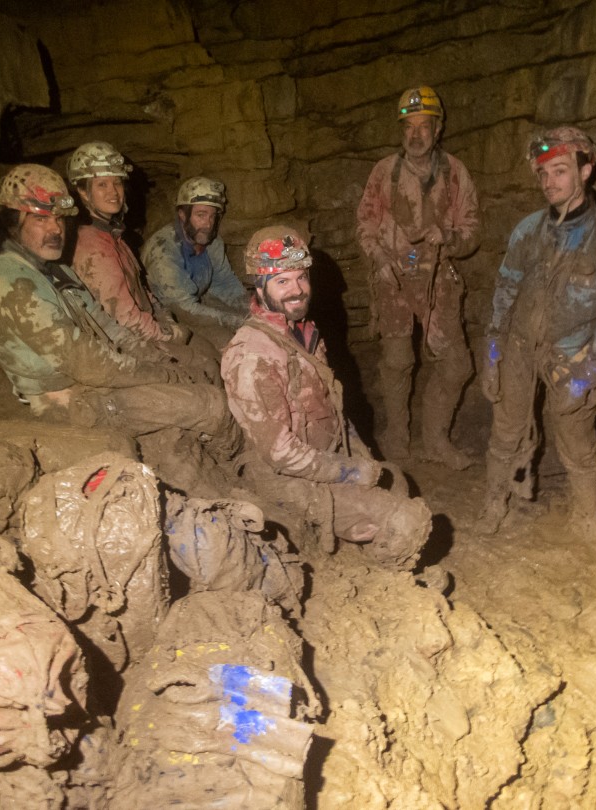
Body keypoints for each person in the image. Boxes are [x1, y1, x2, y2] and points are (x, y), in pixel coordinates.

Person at [0, 163, 238, 456]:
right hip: (70, 401)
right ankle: (232, 468)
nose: (55, 229)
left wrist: (152, 356)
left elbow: (106, 325)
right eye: (41, 219)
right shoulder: (13, 285)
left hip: (100, 381)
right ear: (13, 223)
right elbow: (88, 362)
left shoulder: (54, 269)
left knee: (194, 377)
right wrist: (159, 373)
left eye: (60, 219)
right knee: (211, 405)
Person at [221, 225, 431, 571]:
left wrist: (363, 460)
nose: (297, 290)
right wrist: (349, 472)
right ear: (259, 287)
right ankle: (386, 585)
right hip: (288, 480)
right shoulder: (252, 355)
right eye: (282, 281)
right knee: (408, 521)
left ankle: (369, 542)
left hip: (323, 459)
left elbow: (333, 408)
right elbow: (280, 455)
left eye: (301, 278)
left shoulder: (303, 333)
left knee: (396, 479)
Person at [475, 126, 596, 543]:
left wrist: (590, 373)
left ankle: (586, 517)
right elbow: (505, 291)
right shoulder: (528, 229)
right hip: (517, 347)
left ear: (587, 170)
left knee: (577, 438)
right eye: (543, 174)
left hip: (573, 356)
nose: (550, 182)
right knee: (506, 431)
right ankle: (497, 502)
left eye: (561, 171)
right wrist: (492, 352)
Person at [356, 85, 481, 469]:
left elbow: (473, 228)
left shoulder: (455, 172)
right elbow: (366, 223)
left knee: (457, 364)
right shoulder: (384, 172)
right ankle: (397, 440)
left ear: (438, 129)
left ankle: (435, 441)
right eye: (408, 127)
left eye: (423, 127)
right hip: (393, 275)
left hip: (437, 276)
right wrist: (377, 258)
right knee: (397, 361)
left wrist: (452, 238)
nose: (415, 135)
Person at [66, 142, 217, 379]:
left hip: (149, 327)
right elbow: (125, 319)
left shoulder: (113, 235)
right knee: (206, 369)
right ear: (83, 192)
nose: (113, 191)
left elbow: (143, 289)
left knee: (208, 352)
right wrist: (168, 335)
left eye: (117, 182)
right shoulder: (92, 245)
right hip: (128, 343)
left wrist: (164, 317)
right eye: (102, 184)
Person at [142, 176, 248, 351]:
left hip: (197, 303)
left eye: (213, 216)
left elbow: (224, 282)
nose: (208, 224)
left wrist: (251, 309)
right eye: (201, 215)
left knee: (253, 323)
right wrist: (233, 320)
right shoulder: (163, 250)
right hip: (170, 314)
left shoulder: (211, 240)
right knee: (232, 343)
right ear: (183, 215)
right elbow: (184, 308)